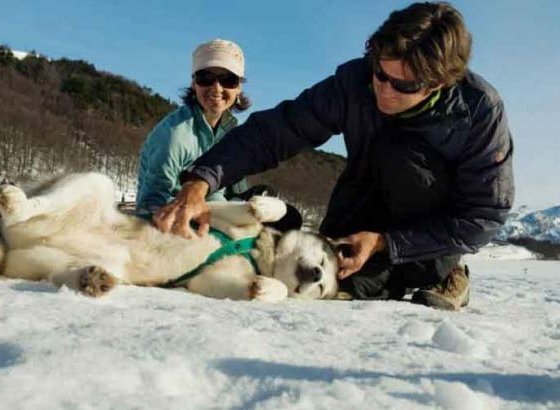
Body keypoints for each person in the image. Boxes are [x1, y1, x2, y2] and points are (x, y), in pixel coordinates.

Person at [154, 2, 514, 311]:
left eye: (403, 85)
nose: (383, 91)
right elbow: (275, 131)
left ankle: (444, 272)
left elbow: (484, 214)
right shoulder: (354, 83)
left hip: (427, 229)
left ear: (439, 83)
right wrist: (201, 180)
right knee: (330, 283)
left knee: (403, 170)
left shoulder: (479, 112)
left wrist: (387, 242)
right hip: (361, 206)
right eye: (379, 74)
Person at [135, 39, 251, 217]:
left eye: (228, 80)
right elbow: (150, 205)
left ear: (239, 88)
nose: (217, 88)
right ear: (194, 83)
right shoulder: (174, 137)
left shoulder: (231, 132)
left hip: (210, 212)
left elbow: (233, 190)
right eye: (206, 78)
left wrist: (246, 199)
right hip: (175, 219)